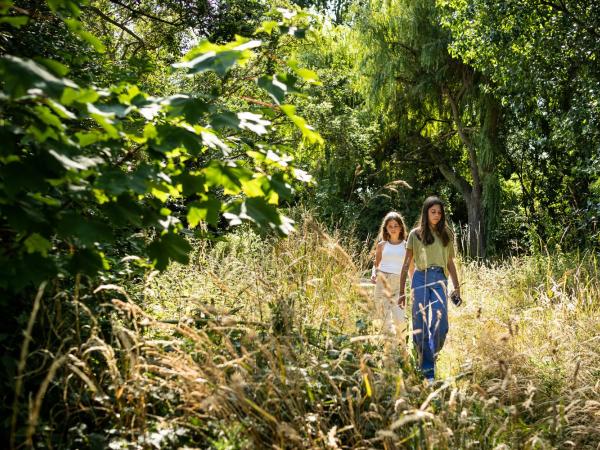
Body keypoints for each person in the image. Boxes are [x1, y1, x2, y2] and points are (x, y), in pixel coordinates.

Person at [398, 196, 460, 384]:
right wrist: (402, 290)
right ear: (426, 213)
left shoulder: (447, 233)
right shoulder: (415, 234)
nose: (436, 215)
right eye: (433, 211)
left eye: (439, 212)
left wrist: (457, 287)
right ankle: (427, 371)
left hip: (440, 278)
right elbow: (406, 263)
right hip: (420, 277)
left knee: (441, 325)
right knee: (420, 321)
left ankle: (429, 354)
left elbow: (450, 262)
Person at [370, 212, 411, 338]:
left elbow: (410, 267)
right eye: (390, 226)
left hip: (399, 283)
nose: (393, 229)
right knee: (384, 316)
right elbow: (376, 264)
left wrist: (414, 284)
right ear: (386, 228)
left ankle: (403, 340)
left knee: (399, 317)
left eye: (396, 226)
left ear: (401, 227)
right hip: (382, 282)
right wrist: (373, 274)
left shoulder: (406, 245)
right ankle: (388, 345)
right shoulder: (382, 245)